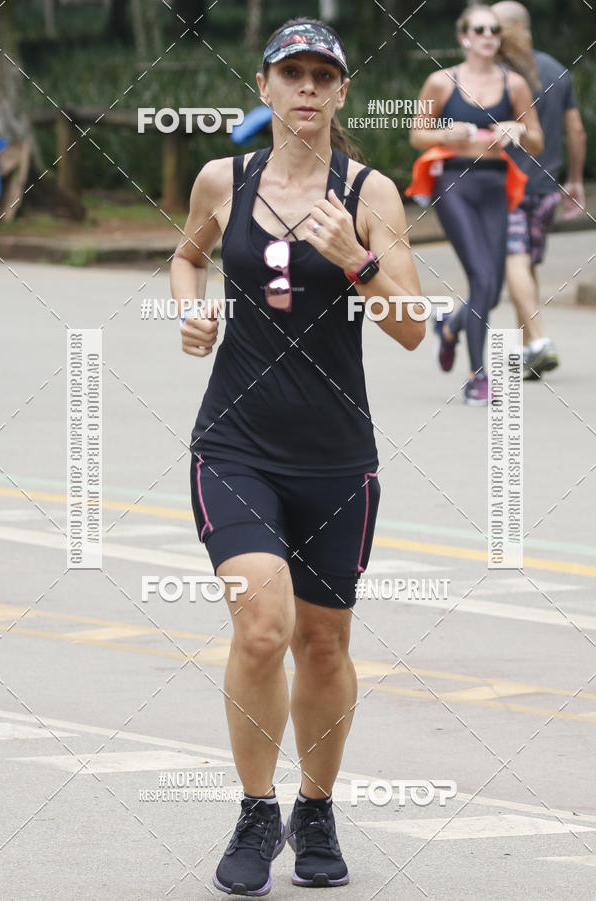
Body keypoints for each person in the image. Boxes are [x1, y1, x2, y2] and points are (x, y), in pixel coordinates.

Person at [170, 17, 425, 896]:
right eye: (292, 73)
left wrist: (355, 258)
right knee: (263, 626)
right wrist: (190, 310)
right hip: (234, 443)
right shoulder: (224, 178)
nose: (307, 87)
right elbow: (187, 255)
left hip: (336, 458)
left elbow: (412, 327)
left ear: (343, 91)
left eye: (323, 74)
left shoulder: (370, 191)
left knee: (322, 643)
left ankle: (315, 808)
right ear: (265, 86)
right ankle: (255, 810)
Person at [409, 3, 543, 405]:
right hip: (454, 183)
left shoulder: (514, 85)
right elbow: (417, 135)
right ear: (464, 37)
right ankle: (476, 376)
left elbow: (537, 142)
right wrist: (445, 134)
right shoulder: (440, 82)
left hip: (495, 183)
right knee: (482, 277)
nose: (488, 36)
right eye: (480, 30)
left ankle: (451, 326)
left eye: (494, 30)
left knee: (494, 287)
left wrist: (518, 128)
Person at [492, 0, 587, 380]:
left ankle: (541, 339)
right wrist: (574, 180)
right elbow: (576, 130)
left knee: (514, 259)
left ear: (515, 28)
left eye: (495, 27)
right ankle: (527, 349)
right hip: (546, 189)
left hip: (509, 186)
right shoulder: (557, 70)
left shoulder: (497, 74)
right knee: (524, 264)